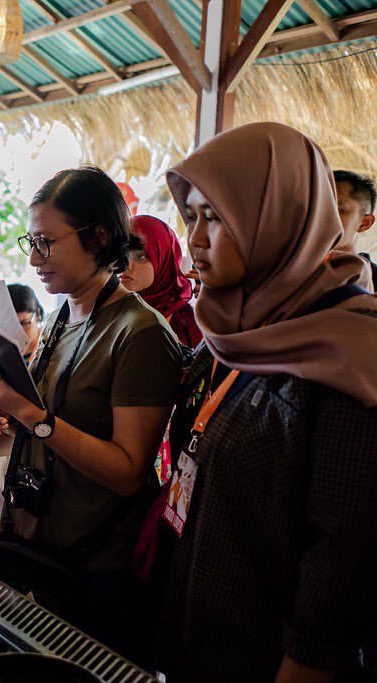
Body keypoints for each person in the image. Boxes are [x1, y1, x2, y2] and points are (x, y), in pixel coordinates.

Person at [153, 123, 377, 682]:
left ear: (277, 217)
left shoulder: (352, 353)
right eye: (192, 215)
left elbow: (342, 563)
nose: (195, 238)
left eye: (217, 217)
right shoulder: (238, 329)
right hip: (199, 637)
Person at [0, 167, 183, 652]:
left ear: (100, 236)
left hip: (98, 567)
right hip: (38, 545)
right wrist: (5, 415)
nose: (33, 259)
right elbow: (49, 423)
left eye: (46, 242)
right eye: (31, 240)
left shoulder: (139, 332)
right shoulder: (65, 315)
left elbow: (128, 472)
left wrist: (31, 416)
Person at [120, 215, 203, 348]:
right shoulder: (104, 307)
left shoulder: (186, 323)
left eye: (140, 256)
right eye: (122, 253)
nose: (126, 265)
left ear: (164, 261)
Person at [333, 169, 377, 286]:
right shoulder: (290, 266)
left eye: (339, 210)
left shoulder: (373, 282)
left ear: (365, 223)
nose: (323, 216)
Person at [7, 283, 45, 361]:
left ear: (38, 315)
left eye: (24, 323)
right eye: (12, 325)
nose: (18, 332)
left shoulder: (50, 348)